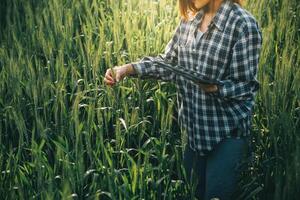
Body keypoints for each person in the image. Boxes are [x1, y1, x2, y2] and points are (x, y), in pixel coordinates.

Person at [104, 0, 263, 199]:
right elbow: (169, 64)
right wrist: (126, 69)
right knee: (192, 192)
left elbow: (247, 86)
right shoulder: (189, 19)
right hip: (193, 131)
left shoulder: (243, 25)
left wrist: (217, 87)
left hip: (226, 133)